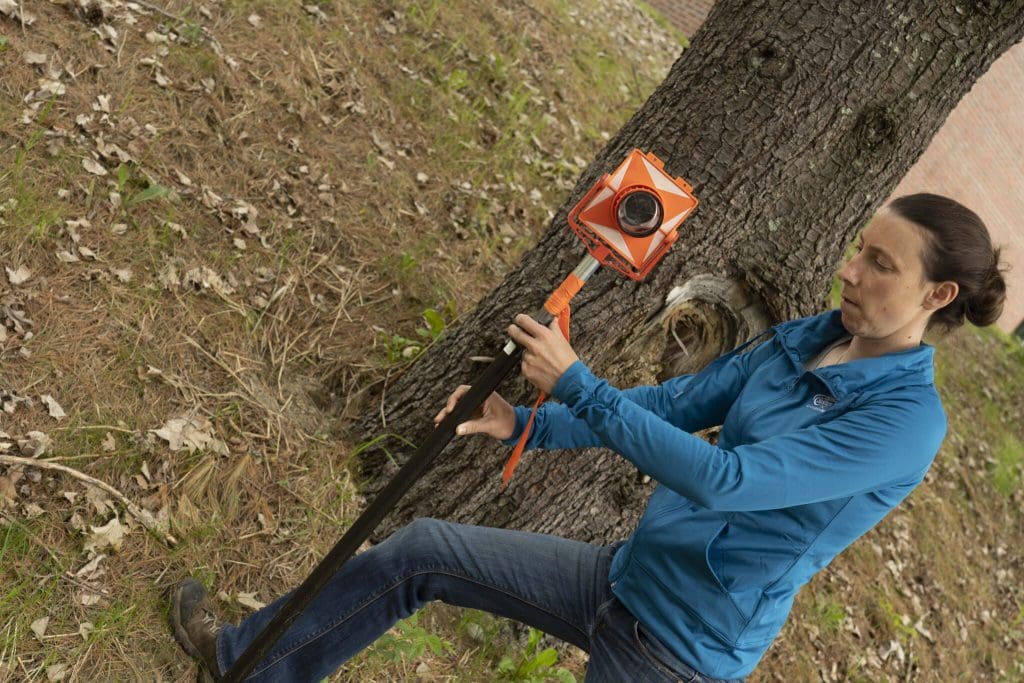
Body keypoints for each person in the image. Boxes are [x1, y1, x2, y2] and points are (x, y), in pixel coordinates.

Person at [171, 193, 1007, 681]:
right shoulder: (810, 335)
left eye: (881, 265)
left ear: (937, 296)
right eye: (860, 250)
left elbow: (727, 479)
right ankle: (246, 662)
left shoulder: (904, 426)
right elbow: (681, 403)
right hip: (624, 576)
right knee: (419, 551)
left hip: (677, 648)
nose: (852, 271)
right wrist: (525, 422)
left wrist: (579, 383)